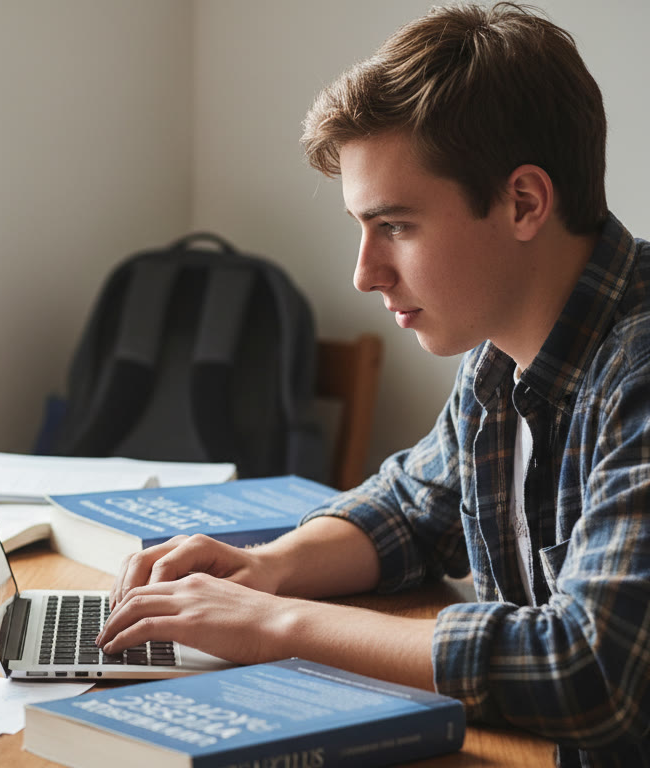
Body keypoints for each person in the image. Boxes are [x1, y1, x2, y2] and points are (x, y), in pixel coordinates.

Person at [96, 4, 649, 765]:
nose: (364, 274)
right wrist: (268, 568)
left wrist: (270, 625)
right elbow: (411, 506)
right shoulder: (499, 358)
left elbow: (590, 670)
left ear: (524, 202)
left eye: (396, 226)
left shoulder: (639, 370)